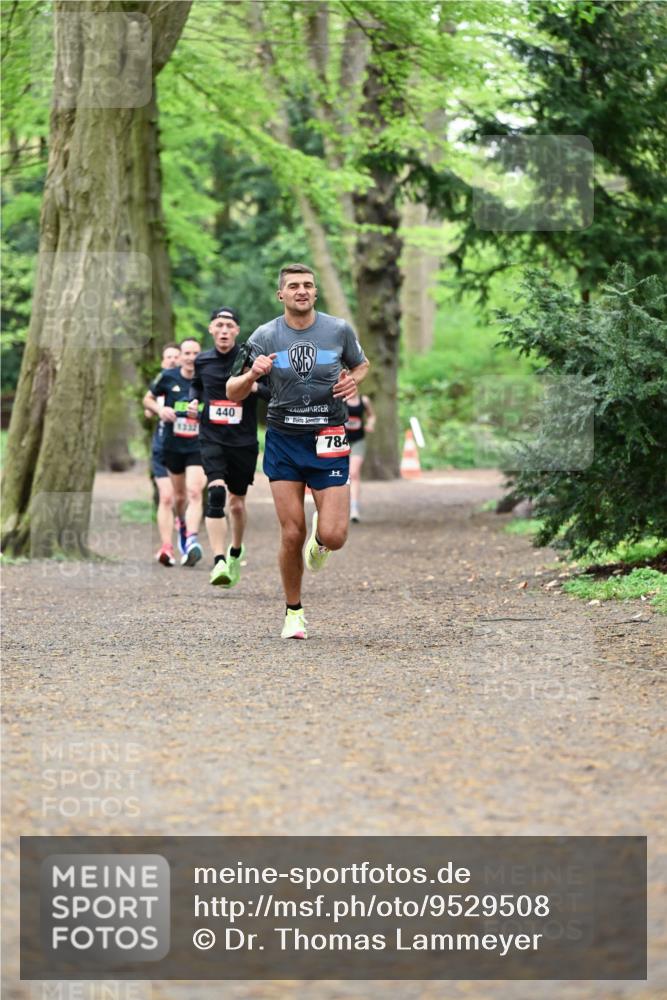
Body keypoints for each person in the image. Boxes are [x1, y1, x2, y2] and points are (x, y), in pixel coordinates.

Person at [226, 262, 369, 639]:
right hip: (284, 440)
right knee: (291, 533)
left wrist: (353, 381)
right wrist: (253, 374)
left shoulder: (338, 329)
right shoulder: (264, 335)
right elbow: (232, 391)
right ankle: (293, 611)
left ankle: (320, 543)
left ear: (315, 292)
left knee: (335, 536)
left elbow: (362, 365)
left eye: (307, 284)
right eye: (293, 286)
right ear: (281, 294)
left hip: (329, 436)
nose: (301, 290)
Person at [187, 308, 270, 587]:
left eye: (229, 326)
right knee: (216, 493)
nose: (224, 330)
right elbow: (196, 386)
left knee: (236, 504)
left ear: (237, 331)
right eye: (219, 325)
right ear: (211, 329)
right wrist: (193, 400)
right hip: (211, 437)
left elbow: (272, 393)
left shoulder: (250, 361)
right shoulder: (202, 360)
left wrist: (253, 385)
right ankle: (219, 561)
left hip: (243, 442)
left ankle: (235, 549)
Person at [143, 338, 206, 567]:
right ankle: (171, 541)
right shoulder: (168, 378)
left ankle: (191, 541)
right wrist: (160, 410)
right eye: (186, 353)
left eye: (195, 353)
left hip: (197, 446)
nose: (190, 358)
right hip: (171, 446)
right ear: (180, 357)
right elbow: (147, 400)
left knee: (195, 492)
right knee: (175, 497)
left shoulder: (207, 377)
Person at [146, 343, 181, 566]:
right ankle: (166, 547)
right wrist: (159, 408)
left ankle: (186, 534)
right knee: (166, 497)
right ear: (162, 361)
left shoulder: (192, 382)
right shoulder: (160, 383)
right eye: (168, 357)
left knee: (183, 497)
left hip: (188, 450)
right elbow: (147, 410)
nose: (172, 360)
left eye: (176, 356)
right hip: (162, 447)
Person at [344, 392, 376, 523]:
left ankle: (354, 507)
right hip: (341, 441)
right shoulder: (339, 398)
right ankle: (342, 506)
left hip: (358, 441)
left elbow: (372, 416)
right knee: (342, 474)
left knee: (353, 473)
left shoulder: (364, 400)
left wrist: (370, 424)